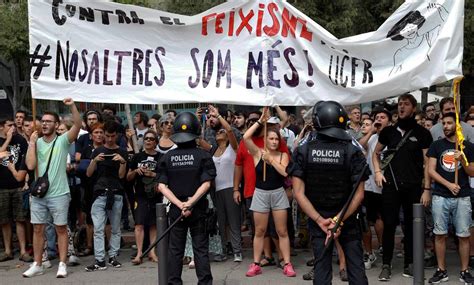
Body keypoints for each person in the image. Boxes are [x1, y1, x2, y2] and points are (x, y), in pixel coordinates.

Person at [291, 100, 369, 285]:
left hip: (320, 221)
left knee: (322, 270)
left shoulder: (304, 149)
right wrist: (339, 220)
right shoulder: (353, 149)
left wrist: (320, 220)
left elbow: (298, 192)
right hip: (347, 219)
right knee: (356, 269)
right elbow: (359, 194)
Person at [373, 94, 432, 280]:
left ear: (413, 108)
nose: (401, 107)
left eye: (406, 104)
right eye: (399, 104)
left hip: (414, 187)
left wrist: (427, 189)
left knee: (411, 227)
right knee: (389, 225)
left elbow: (428, 162)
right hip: (391, 186)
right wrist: (377, 172)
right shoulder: (388, 132)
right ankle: (386, 264)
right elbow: (376, 153)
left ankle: (409, 263)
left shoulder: (422, 133)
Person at [23, 98, 82, 278]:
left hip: (59, 194)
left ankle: (62, 264)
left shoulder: (63, 140)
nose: (45, 123)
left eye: (49, 121)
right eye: (43, 121)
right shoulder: (37, 142)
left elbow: (78, 125)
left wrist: (72, 105)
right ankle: (37, 263)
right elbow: (31, 166)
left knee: (61, 228)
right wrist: (32, 143)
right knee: (38, 229)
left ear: (57, 125)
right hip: (39, 194)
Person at [157, 111, 216, 285]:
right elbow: (207, 184)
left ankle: (174, 283)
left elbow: (161, 186)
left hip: (176, 210)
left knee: (175, 250)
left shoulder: (166, 157)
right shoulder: (204, 156)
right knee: (200, 250)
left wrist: (180, 204)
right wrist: (190, 203)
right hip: (197, 208)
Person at [243, 107, 295, 278]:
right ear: (265, 139)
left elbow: (285, 172)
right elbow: (245, 137)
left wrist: (271, 160)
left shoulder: (281, 155)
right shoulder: (257, 153)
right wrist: (260, 121)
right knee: (259, 231)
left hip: (278, 193)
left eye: (276, 139)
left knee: (282, 231)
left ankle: (287, 263)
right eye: (270, 138)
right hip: (260, 193)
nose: (273, 141)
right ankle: (256, 263)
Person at [426, 113, 474, 284]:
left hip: (463, 197)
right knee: (439, 234)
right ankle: (441, 270)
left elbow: (472, 172)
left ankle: (464, 270)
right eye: (443, 123)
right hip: (441, 195)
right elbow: (431, 170)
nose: (445, 126)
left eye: (448, 123)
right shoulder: (436, 145)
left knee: (463, 235)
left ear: (457, 125)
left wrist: (463, 160)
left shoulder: (467, 146)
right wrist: (448, 185)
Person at [84, 120, 128, 272]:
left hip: (116, 192)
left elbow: (122, 176)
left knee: (115, 227)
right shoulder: (97, 151)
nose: (109, 139)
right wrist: (95, 161)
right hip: (100, 192)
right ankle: (100, 259)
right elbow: (89, 174)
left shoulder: (122, 151)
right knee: (98, 228)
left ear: (117, 136)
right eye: (107, 136)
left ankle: (113, 256)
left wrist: (122, 162)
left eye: (112, 136)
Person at [208, 105, 242, 262]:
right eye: (218, 132)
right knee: (221, 222)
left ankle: (237, 251)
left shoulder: (233, 148)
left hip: (231, 188)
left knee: (233, 220)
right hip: (217, 190)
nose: (220, 133)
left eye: (222, 132)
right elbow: (200, 140)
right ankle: (223, 249)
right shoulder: (213, 151)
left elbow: (229, 130)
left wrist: (218, 116)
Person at [361, 109, 391, 270]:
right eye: (377, 117)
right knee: (366, 220)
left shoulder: (393, 136)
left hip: (387, 186)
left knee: (382, 220)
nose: (379, 119)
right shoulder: (371, 137)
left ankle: (382, 247)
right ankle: (369, 252)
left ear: (389, 121)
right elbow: (358, 147)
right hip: (369, 185)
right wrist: (371, 130)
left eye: (382, 117)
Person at [0, 115, 32, 263]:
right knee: (4, 220)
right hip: (2, 186)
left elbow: (26, 160)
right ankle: (8, 250)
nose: (13, 127)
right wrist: (7, 140)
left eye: (14, 125)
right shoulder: (3, 141)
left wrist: (25, 180)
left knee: (20, 219)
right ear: (1, 127)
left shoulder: (20, 140)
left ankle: (23, 251)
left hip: (18, 185)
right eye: (9, 125)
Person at [127, 130, 161, 264]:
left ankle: (152, 252)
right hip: (140, 194)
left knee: (153, 224)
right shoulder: (137, 157)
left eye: (151, 139)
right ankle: (140, 253)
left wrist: (153, 175)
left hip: (155, 194)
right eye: (146, 138)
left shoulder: (161, 157)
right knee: (139, 224)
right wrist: (136, 171)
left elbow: (166, 176)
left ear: (155, 142)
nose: (148, 141)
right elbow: (127, 177)